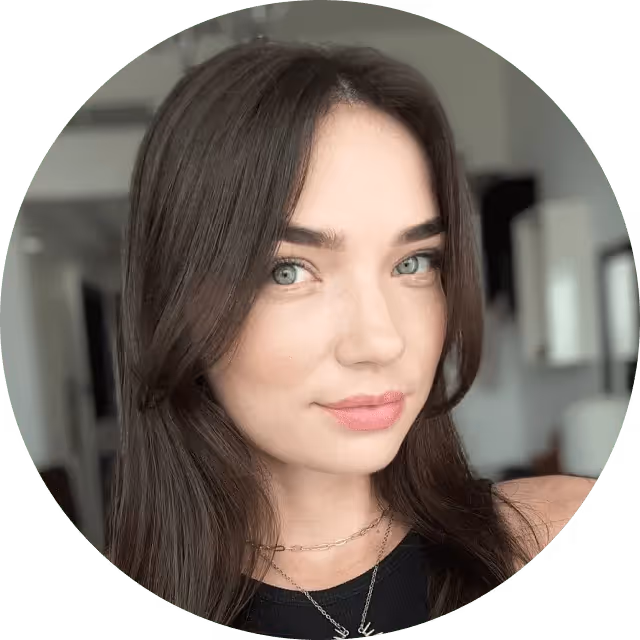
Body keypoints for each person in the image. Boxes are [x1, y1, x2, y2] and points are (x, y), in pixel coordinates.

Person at [106, 39, 596, 638]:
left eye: (413, 262)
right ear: (177, 302)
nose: (380, 342)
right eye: (288, 271)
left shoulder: (560, 537)